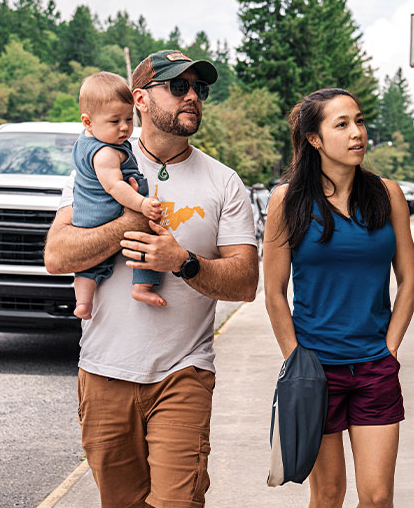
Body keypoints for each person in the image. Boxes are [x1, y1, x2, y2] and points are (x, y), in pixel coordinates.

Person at [44, 50, 259, 508]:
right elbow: (57, 256)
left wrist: (182, 260)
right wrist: (128, 222)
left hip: (183, 372)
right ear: (140, 99)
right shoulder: (96, 168)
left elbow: (244, 282)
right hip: (104, 371)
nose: (193, 97)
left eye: (199, 89)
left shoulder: (224, 183)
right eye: (178, 87)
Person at [262, 87, 414, 508]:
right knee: (328, 494)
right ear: (314, 138)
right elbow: (275, 293)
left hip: (374, 368)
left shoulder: (388, 195)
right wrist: (297, 359)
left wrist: (389, 348)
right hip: (316, 372)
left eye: (360, 121)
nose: (357, 133)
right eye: (342, 124)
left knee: (377, 496)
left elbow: (409, 281)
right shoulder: (287, 200)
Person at [70, 71, 164, 318]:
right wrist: (141, 204)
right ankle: (142, 286)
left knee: (89, 266)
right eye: (114, 122)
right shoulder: (106, 153)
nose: (124, 128)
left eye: (128, 119)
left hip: (86, 217)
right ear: (87, 122)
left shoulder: (86, 142)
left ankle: (83, 303)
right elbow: (115, 187)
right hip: (108, 213)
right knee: (145, 244)